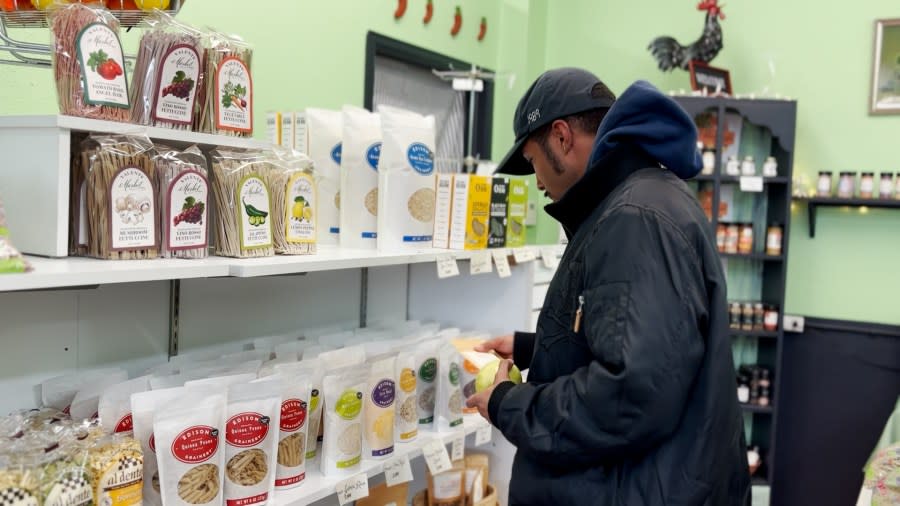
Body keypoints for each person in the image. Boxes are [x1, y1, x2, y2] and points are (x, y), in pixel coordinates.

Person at [465, 67, 751, 505]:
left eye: (532, 162)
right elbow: (639, 345)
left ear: (561, 137)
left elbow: (631, 395)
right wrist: (532, 348)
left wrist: (511, 405)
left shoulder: (634, 218)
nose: (538, 181)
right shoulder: (642, 199)